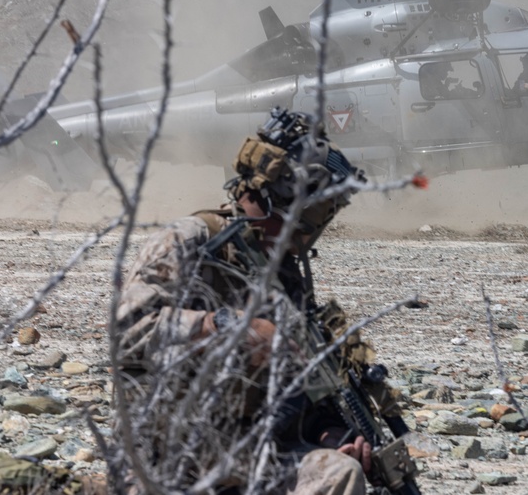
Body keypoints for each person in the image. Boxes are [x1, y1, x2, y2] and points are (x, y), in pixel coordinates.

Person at [114, 108, 385, 495]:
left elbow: (298, 393)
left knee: (339, 474)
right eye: (310, 214)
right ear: (279, 195)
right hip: (166, 453)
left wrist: (331, 433)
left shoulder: (286, 279)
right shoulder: (190, 241)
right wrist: (225, 327)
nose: (310, 232)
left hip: (246, 455)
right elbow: (128, 334)